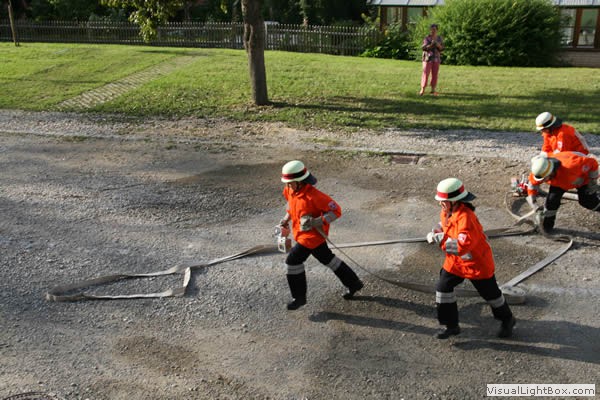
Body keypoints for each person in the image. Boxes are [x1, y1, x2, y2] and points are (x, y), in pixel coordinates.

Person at [427, 178, 515, 339]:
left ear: (454, 201)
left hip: (476, 264)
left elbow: (461, 247)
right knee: (443, 289)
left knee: (491, 295)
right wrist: (436, 229)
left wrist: (439, 239)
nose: (440, 204)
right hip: (456, 263)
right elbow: (445, 225)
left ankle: (507, 319)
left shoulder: (466, 219)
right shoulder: (447, 211)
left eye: (443, 201)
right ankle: (450, 325)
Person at [278, 160, 364, 310]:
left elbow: (336, 211)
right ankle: (354, 283)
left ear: (300, 181)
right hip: (301, 234)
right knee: (329, 260)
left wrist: (316, 221)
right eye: (287, 183)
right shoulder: (290, 191)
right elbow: (291, 207)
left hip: (311, 238)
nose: (288, 186)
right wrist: (285, 220)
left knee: (293, 262)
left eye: (290, 183)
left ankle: (299, 298)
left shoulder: (316, 197)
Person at [527, 152, 599, 231]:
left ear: (550, 172)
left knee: (588, 202)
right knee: (551, 201)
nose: (542, 181)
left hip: (582, 179)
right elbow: (532, 184)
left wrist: (592, 182)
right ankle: (546, 226)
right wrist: (533, 202)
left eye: (544, 179)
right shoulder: (540, 171)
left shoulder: (572, 166)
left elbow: (593, 163)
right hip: (560, 181)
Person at [420, 24, 444, 96]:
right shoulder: (427, 38)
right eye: (431, 29)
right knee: (425, 73)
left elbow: (442, 48)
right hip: (427, 59)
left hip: (436, 59)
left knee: (435, 74)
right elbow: (424, 48)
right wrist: (431, 44)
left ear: (437, 30)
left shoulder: (439, 38)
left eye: (434, 29)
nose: (433, 31)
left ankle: (433, 89)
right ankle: (423, 89)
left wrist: (438, 45)